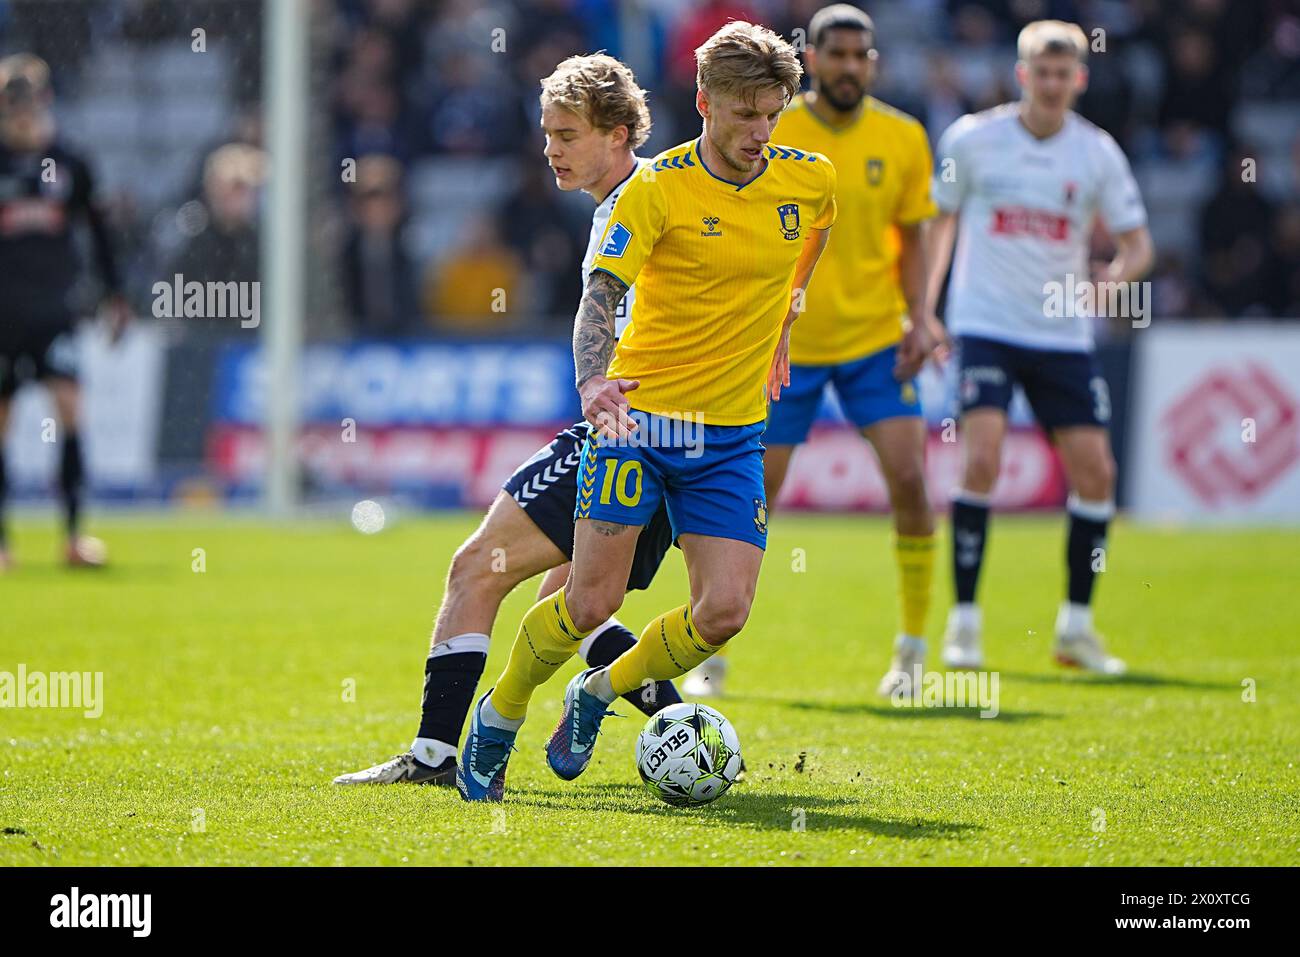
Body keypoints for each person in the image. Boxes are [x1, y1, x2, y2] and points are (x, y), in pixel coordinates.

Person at [457, 22, 836, 802]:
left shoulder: (809, 179)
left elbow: (813, 235)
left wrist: (785, 321)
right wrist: (595, 383)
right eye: (743, 115)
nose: (760, 133)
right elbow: (601, 295)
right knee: (589, 600)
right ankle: (499, 714)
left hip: (731, 436)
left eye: (772, 114)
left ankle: (595, 693)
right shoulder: (658, 188)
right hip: (641, 425)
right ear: (704, 102)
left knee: (724, 611)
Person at [334, 54, 681, 787]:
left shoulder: (642, 198)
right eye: (547, 133)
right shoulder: (646, 195)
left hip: (629, 429)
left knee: (476, 569)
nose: (551, 149)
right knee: (574, 603)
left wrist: (602, 385)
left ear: (618, 134)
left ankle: (433, 755)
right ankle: (685, 728)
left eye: (567, 133)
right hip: (681, 434)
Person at [685, 4, 940, 700]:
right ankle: (709, 645)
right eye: (838, 55)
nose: (850, 67)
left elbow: (914, 237)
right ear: (813, 60)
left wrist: (921, 316)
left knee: (912, 483)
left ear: (873, 63)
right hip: (778, 348)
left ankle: (913, 650)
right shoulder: (770, 128)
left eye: (862, 56)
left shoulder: (906, 136)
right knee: (743, 501)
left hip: (875, 341)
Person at [927, 20, 1154, 674]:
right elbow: (940, 224)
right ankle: (965, 624)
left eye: (1065, 74)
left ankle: (1076, 627)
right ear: (1022, 75)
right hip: (986, 323)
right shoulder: (973, 141)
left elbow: (1139, 243)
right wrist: (929, 310)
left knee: (1096, 474)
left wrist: (1111, 284)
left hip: (1060, 332)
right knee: (983, 459)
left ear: (1079, 79)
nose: (1053, 84)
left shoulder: (1097, 153)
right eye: (1041, 72)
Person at [0, 54, 129, 572]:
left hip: (55, 309)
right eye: (11, 103)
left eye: (27, 101)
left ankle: (75, 535)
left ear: (45, 100)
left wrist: (116, 295)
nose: (20, 114)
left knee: (71, 408)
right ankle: (3, 544)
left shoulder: (71, 163)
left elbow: (99, 234)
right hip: (2, 312)